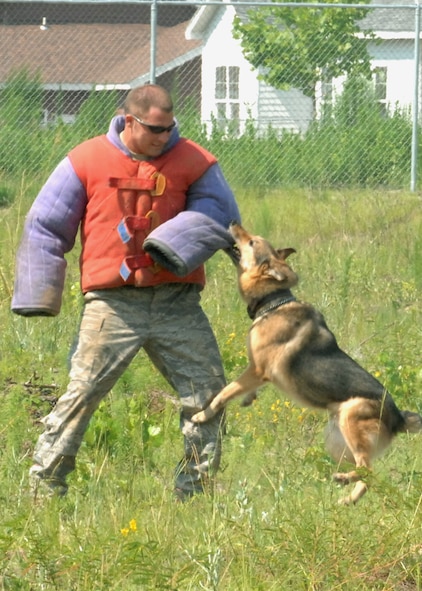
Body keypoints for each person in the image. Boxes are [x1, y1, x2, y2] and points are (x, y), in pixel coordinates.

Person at [12, 84, 240, 501]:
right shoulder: (86, 160)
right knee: (80, 396)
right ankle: (43, 494)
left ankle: (194, 497)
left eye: (169, 128)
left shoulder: (196, 161)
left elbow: (223, 217)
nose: (163, 136)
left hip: (178, 303)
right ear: (130, 120)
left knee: (209, 397)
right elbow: (45, 223)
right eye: (154, 128)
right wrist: (38, 290)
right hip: (112, 304)